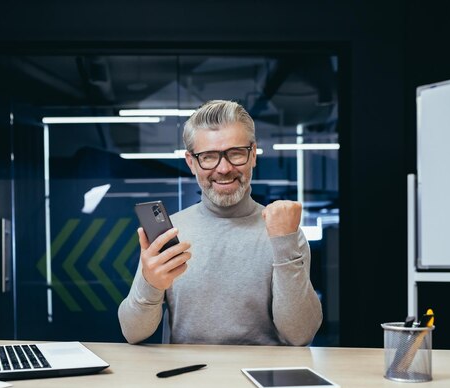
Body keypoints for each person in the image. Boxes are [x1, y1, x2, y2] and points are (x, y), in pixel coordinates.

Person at [118, 100, 322, 346]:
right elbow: (132, 332)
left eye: (235, 153)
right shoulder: (169, 234)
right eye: (209, 157)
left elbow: (301, 335)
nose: (224, 168)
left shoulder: (283, 232)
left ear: (253, 154)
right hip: (186, 378)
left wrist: (284, 243)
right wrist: (150, 285)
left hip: (262, 379)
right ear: (191, 162)